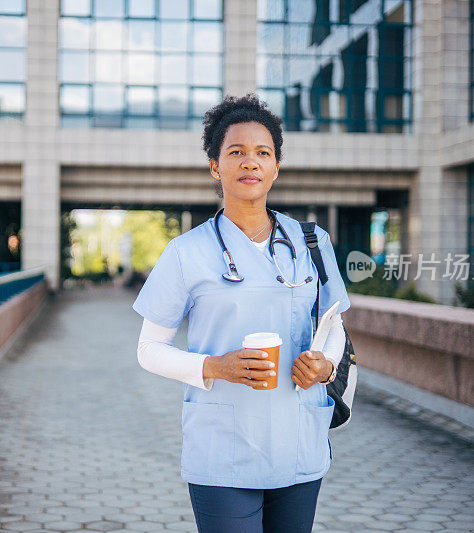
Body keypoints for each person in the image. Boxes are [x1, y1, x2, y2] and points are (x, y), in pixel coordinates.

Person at [131, 94, 351, 533]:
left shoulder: (311, 242)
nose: (250, 163)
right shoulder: (185, 253)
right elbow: (148, 350)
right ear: (216, 166)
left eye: (262, 153)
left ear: (275, 166)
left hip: (299, 440)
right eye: (236, 152)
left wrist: (325, 366)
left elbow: (334, 327)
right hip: (223, 449)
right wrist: (215, 366)